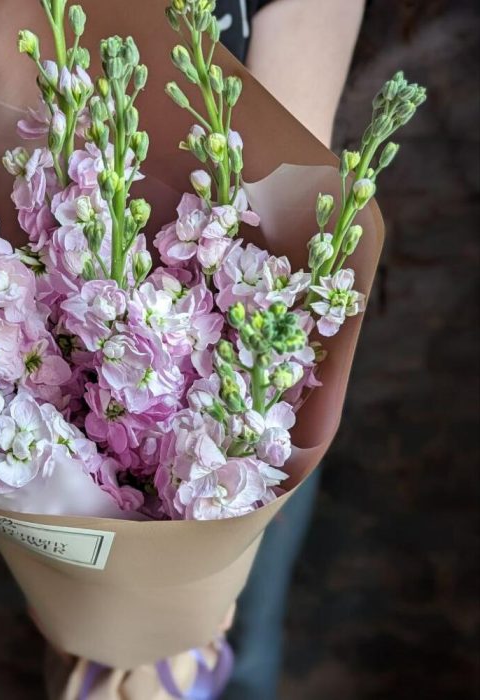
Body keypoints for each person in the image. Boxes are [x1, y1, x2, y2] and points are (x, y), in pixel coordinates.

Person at [0, 2, 365, 698]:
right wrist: (99, 615)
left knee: (246, 627)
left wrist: (183, 610)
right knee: (81, 625)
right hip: (34, 333)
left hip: (243, 344)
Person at [214, 2, 364, 697]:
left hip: (242, 357)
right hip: (48, 347)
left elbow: (284, 190)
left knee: (241, 644)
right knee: (90, 646)